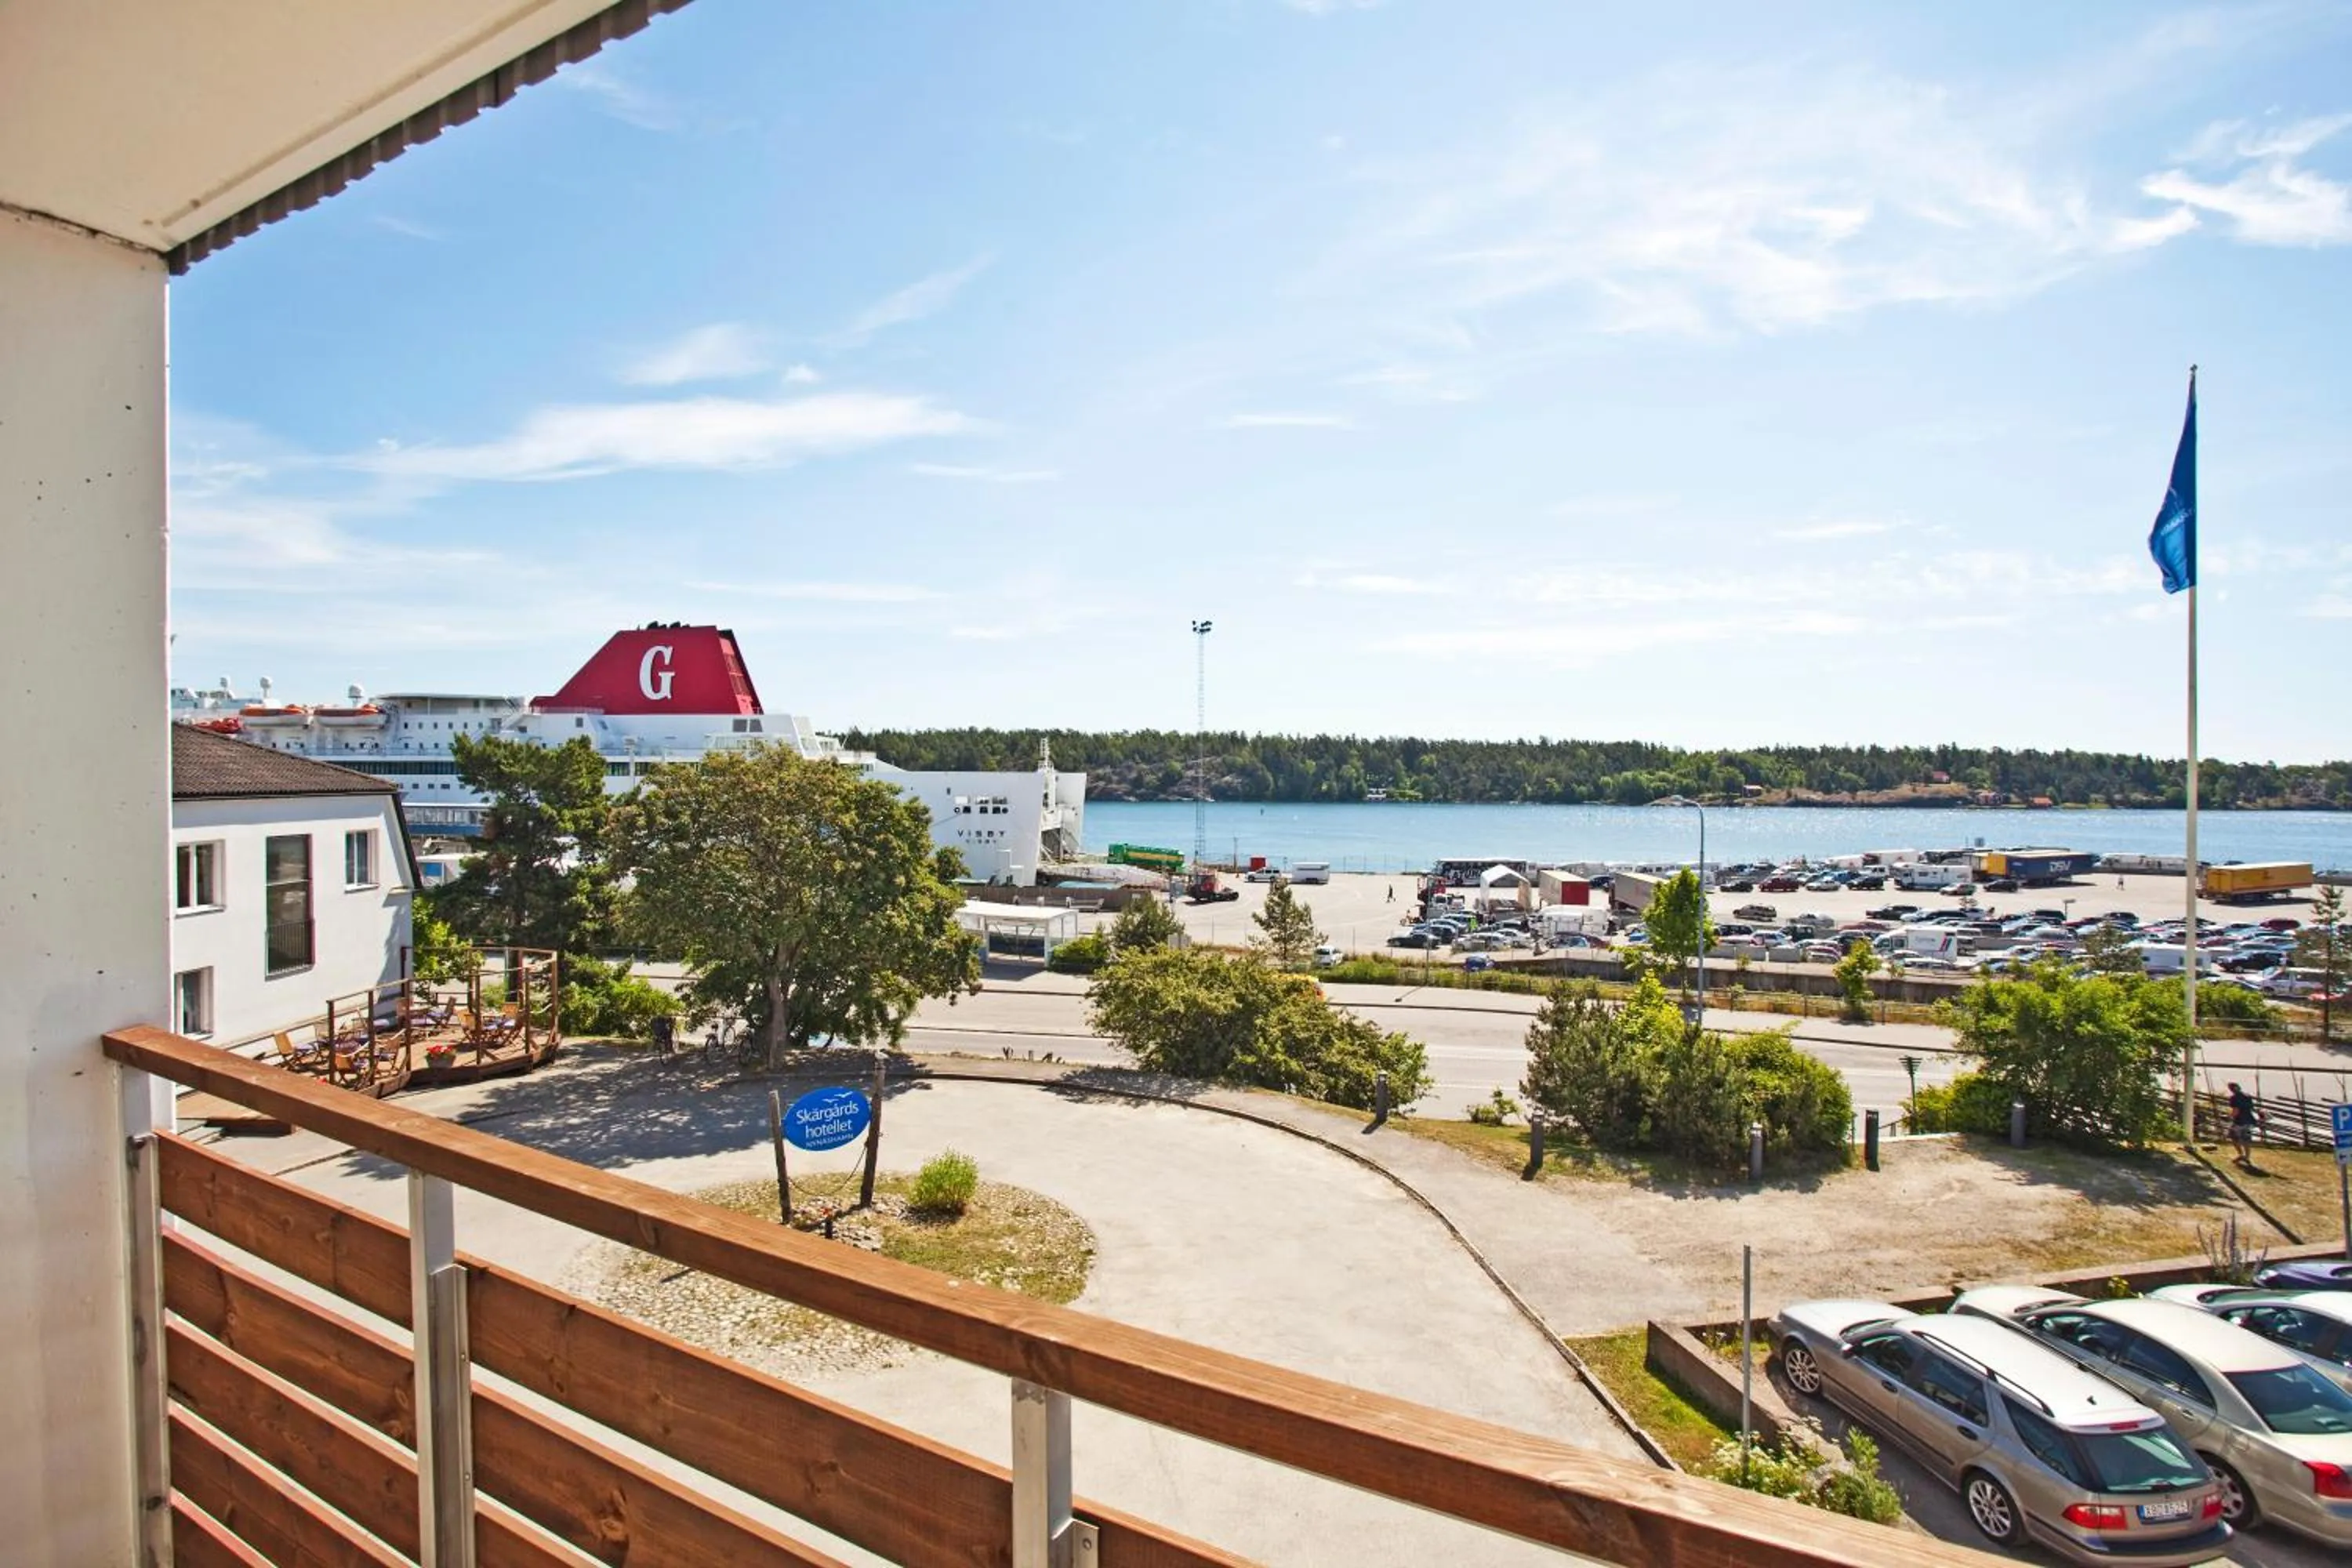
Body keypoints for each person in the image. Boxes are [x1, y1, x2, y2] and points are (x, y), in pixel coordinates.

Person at [2226, 1081, 2259, 1166]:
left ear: (2231, 1089)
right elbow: (2251, 1108)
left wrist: (2230, 1116)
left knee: (2233, 1136)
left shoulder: (2234, 1098)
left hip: (2239, 1121)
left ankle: (2241, 1154)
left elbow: (2236, 1111)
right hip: (2249, 1120)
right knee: (2246, 1139)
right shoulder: (2248, 1096)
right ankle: (2247, 1157)